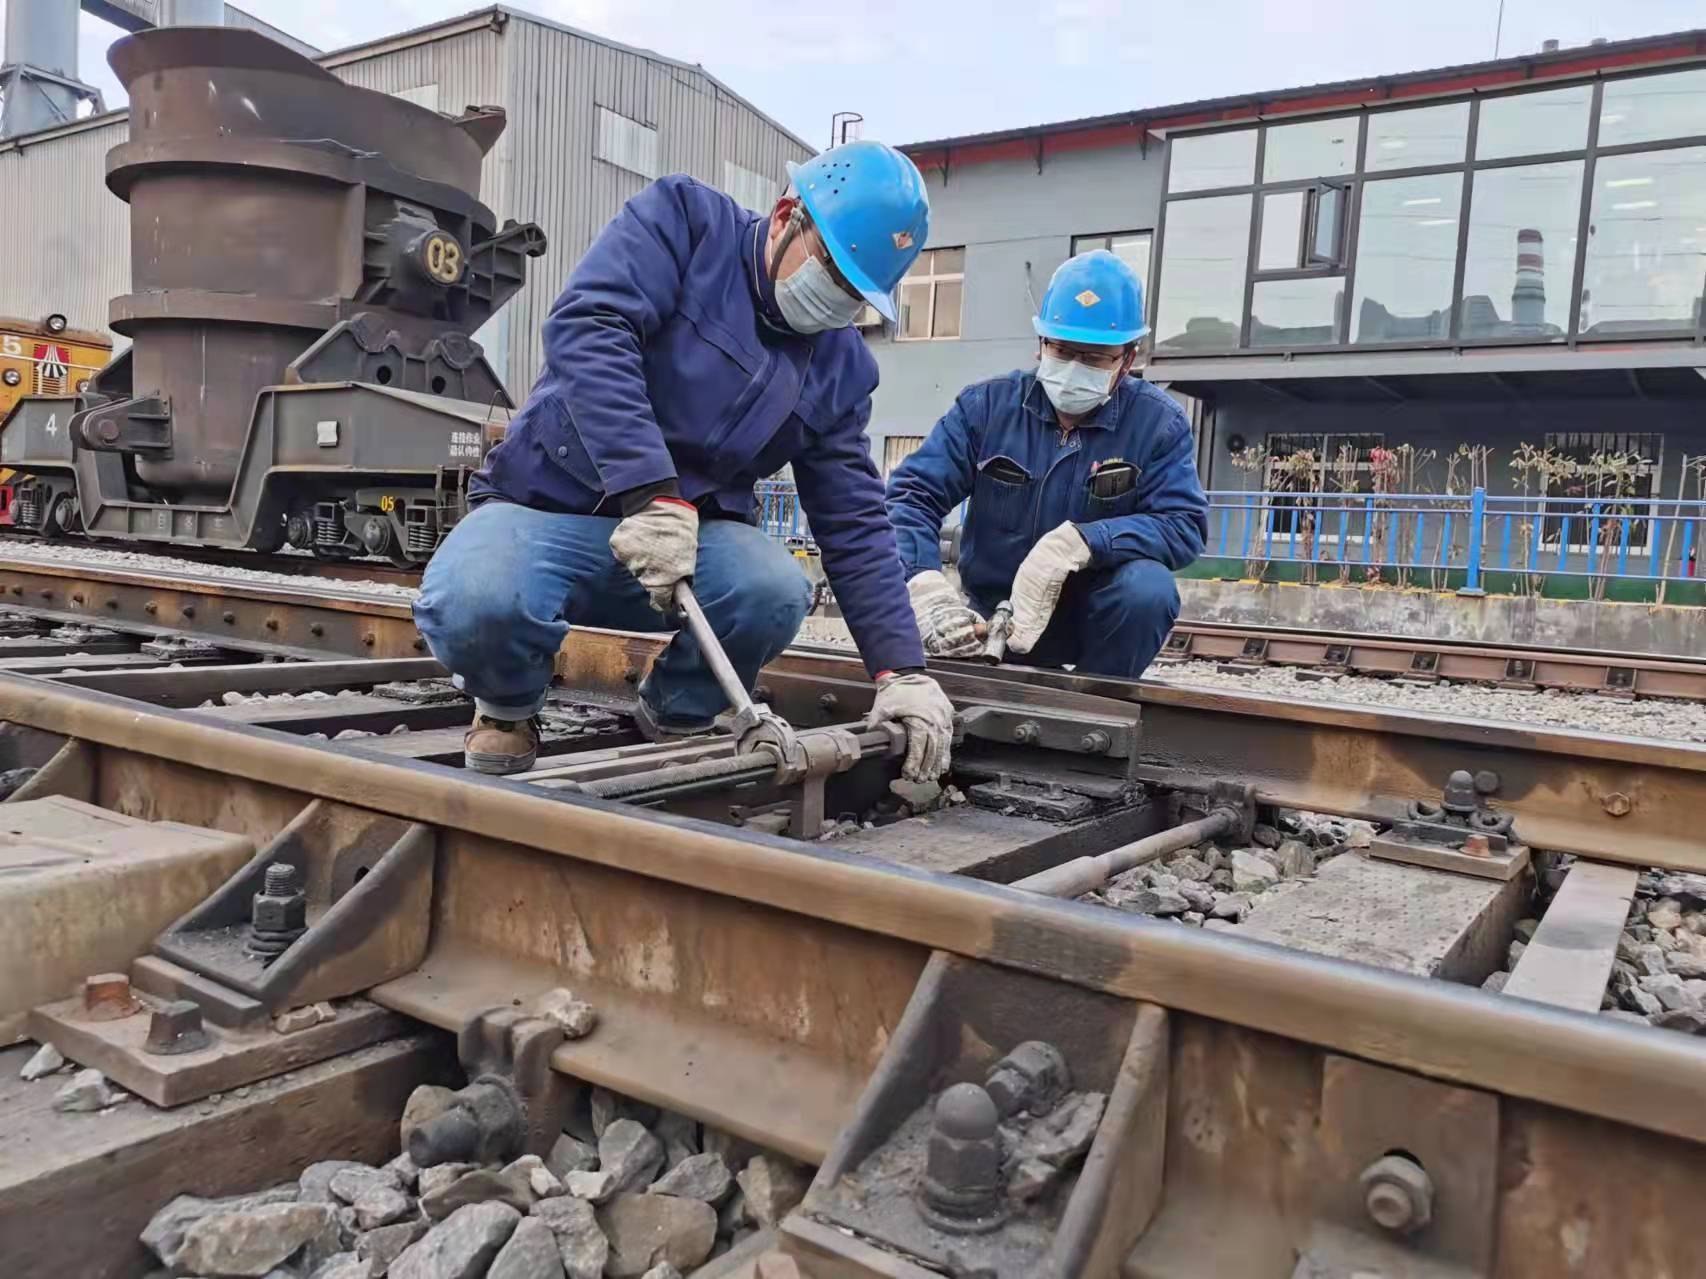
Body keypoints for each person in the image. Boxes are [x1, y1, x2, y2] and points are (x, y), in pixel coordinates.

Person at [414, 141, 955, 782]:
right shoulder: (685, 223)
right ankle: (506, 707)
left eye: (853, 294)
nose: (835, 302)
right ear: (786, 216)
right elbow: (590, 327)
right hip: (544, 512)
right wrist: (650, 491)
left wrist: (902, 670)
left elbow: (854, 520)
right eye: (831, 272)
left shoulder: (841, 366)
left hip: (687, 552)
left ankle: (679, 711)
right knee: (475, 596)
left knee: (773, 587)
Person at [886, 251, 1207, 679]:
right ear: (1041, 344)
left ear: (1127, 360)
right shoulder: (986, 408)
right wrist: (923, 585)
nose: (1074, 367)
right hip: (989, 617)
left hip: (1093, 620)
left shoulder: (1157, 425)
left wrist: (1087, 542)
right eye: (1062, 350)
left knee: (1149, 590)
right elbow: (912, 495)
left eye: (1094, 358)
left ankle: (1096, 710)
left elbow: (1183, 524)